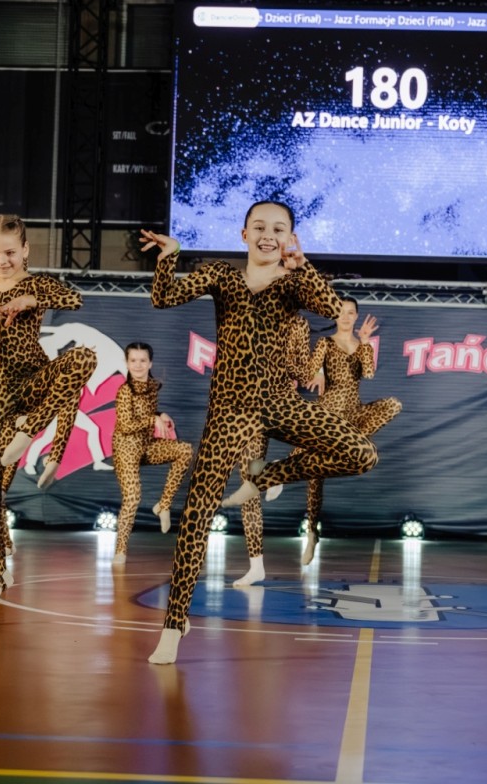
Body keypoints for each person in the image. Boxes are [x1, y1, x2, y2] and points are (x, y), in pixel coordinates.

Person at [142, 200, 377, 664]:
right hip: (229, 411)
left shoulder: (292, 283)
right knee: (198, 513)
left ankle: (267, 477)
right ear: (244, 234)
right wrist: (170, 254)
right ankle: (174, 622)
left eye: (279, 229)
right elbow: (162, 298)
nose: (269, 235)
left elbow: (334, 308)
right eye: (260, 227)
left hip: (279, 403)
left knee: (361, 454)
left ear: (290, 237)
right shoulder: (221, 276)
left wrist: (303, 265)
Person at [0, 214, 97, 621]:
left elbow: (75, 299)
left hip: (31, 382)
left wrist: (32, 300)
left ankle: (28, 431)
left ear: (26, 250)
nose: (1, 261)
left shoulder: (38, 283)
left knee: (84, 358)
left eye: (10, 253)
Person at [291, 298, 402, 565]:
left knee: (393, 405)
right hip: (327, 416)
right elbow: (310, 371)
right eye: (341, 312)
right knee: (314, 476)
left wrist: (365, 342)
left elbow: (370, 373)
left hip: (353, 415)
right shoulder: (325, 343)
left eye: (351, 312)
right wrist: (319, 371)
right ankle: (311, 533)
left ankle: (354, 444)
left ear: (356, 317)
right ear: (334, 315)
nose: (345, 316)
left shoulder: (362, 346)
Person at [233, 312, 313, 587]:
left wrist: (306, 371)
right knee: (249, 482)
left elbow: (302, 370)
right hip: (249, 402)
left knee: (315, 441)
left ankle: (277, 472)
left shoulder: (298, 323)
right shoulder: (248, 317)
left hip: (280, 400)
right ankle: (256, 566)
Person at [110, 342, 194, 565]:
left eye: (142, 360)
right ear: (126, 363)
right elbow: (126, 424)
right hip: (126, 448)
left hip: (147, 445)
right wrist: (152, 419)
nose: (138, 365)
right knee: (132, 497)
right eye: (133, 360)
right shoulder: (125, 391)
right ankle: (120, 550)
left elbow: (146, 411)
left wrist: (160, 413)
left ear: (150, 363)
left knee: (185, 450)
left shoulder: (152, 386)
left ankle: (163, 505)